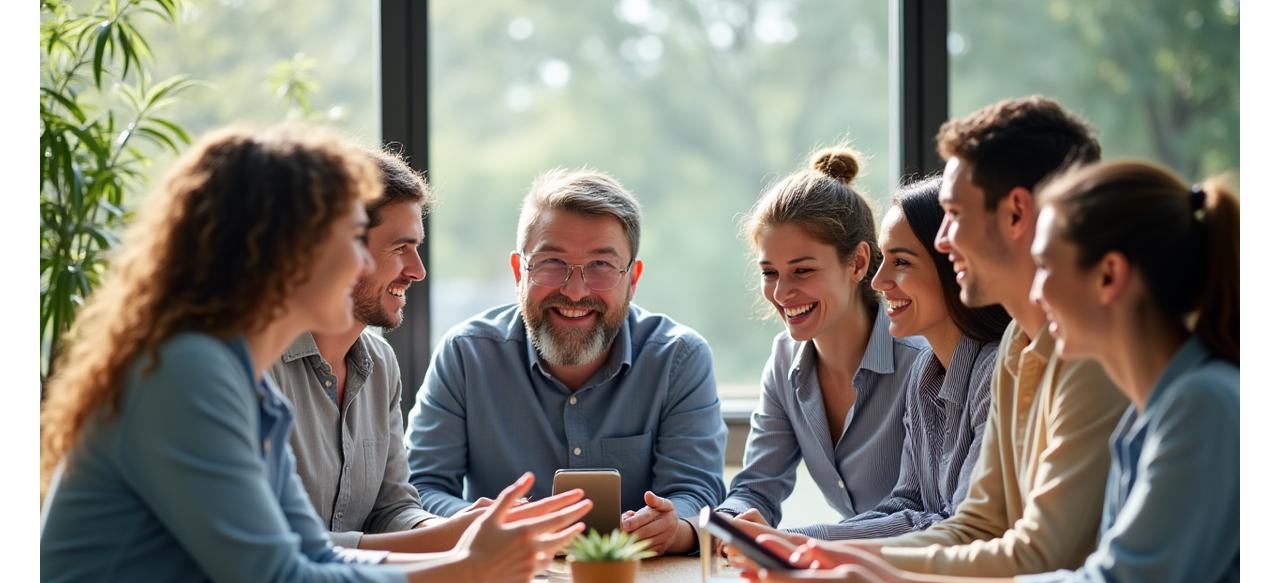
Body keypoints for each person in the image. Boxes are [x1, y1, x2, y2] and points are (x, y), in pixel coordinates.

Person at [40, 125, 591, 583]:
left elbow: (315, 561)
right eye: (353, 239)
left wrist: (465, 553)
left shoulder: (244, 384)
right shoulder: (185, 373)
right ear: (282, 251)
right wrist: (465, 574)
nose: (362, 262)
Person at [752, 159, 1240, 583]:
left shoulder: (1203, 405)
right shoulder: (1157, 409)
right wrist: (870, 578)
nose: (1030, 292)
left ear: (1108, 277)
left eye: (1044, 266)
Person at [814, 96, 1127, 576]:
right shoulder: (1014, 350)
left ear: (1017, 213)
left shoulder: (1093, 358)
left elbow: (1041, 557)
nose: (943, 240)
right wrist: (820, 556)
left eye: (955, 213)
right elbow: (976, 525)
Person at [405, 168, 727, 555]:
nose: (575, 291)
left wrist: (675, 528)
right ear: (517, 272)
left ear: (633, 279)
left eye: (601, 266)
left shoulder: (680, 358)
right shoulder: (465, 354)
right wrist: (477, 523)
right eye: (551, 263)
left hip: (645, 582)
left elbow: (696, 492)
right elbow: (421, 488)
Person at [731, 176, 1009, 541]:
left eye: (901, 262)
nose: (879, 281)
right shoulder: (928, 374)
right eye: (769, 273)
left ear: (955, 265)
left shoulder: (983, 370)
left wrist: (803, 543)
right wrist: (752, 533)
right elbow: (909, 508)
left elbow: (964, 529)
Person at [268, 149, 485, 552]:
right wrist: (448, 544)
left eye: (417, 247)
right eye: (400, 248)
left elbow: (391, 508)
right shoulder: (257, 364)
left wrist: (459, 526)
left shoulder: (380, 363)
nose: (418, 270)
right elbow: (271, 545)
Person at [714, 147, 928, 531]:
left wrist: (797, 541)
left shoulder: (920, 362)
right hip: (848, 570)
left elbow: (921, 514)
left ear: (859, 263)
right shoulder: (784, 361)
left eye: (802, 271)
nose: (781, 293)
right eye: (769, 273)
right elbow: (756, 489)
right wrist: (727, 525)